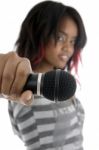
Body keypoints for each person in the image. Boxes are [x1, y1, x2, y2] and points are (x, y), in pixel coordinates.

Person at [1, 0, 87, 149]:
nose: (68, 48)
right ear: (39, 34)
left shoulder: (59, 87)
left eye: (73, 41)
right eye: (60, 38)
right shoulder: (25, 93)